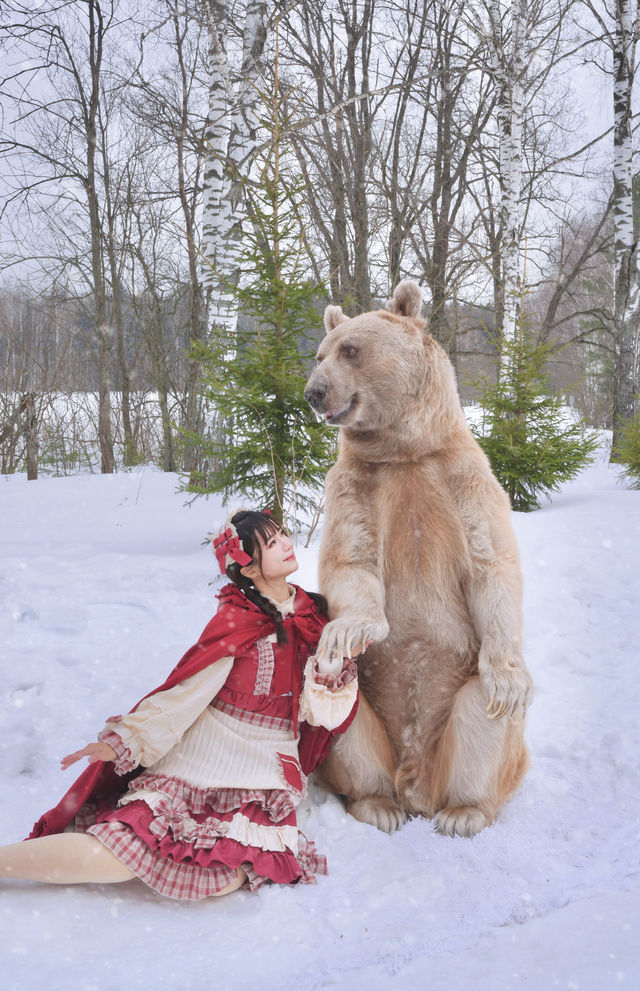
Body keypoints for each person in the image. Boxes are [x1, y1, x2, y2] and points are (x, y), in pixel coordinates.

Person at [0, 509, 360, 899]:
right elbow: (185, 694)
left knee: (227, 874)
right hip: (207, 755)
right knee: (122, 850)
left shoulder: (314, 618)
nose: (288, 544)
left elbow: (321, 716)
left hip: (264, 767)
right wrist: (128, 740)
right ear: (250, 568)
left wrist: (333, 665)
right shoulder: (238, 620)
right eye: (272, 543)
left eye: (284, 534)